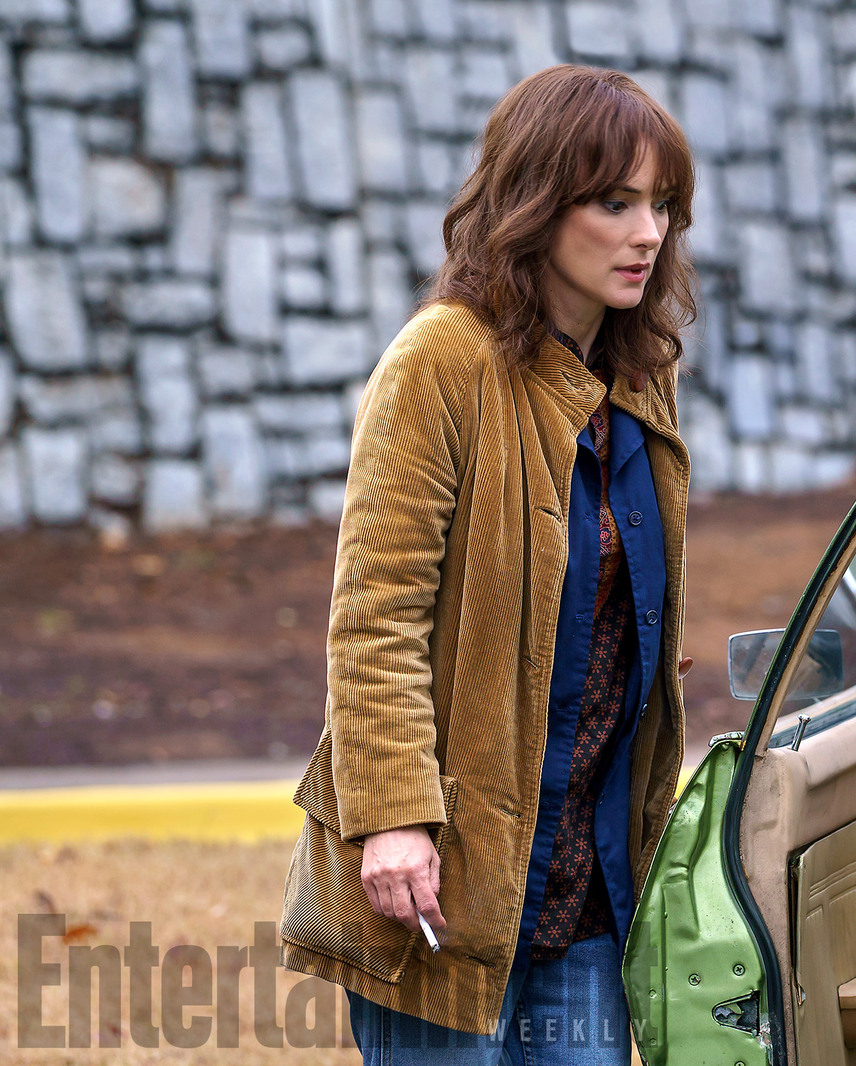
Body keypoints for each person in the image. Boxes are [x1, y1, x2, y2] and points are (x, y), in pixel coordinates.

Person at [279, 65, 696, 1065]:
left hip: (590, 883)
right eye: (614, 202)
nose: (647, 233)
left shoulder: (640, 377)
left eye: (662, 206)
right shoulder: (440, 361)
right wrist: (393, 819)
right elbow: (375, 618)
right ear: (536, 201)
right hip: (446, 880)